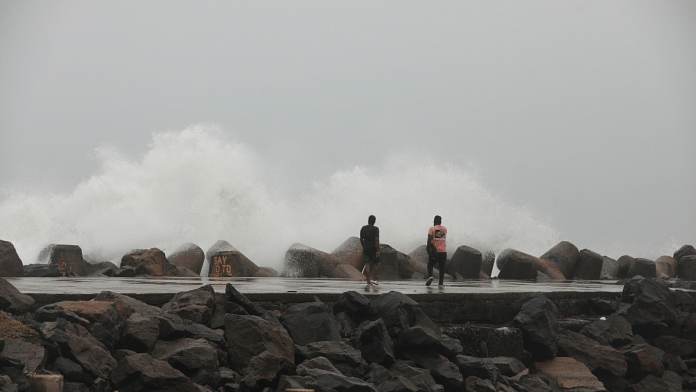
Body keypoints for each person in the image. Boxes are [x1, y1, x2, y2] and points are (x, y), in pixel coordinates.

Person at [426, 215, 447, 287]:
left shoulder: (431, 229)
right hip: (443, 251)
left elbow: (429, 239)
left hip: (435, 252)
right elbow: (440, 237)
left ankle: (430, 276)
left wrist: (428, 248)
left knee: (430, 265)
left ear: (434, 221)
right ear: (441, 221)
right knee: (442, 267)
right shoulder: (444, 229)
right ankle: (440, 283)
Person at [360, 215, 380, 285]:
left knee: (367, 264)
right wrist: (377, 251)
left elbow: (361, 239)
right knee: (377, 263)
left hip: (365, 248)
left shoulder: (363, 228)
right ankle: (373, 278)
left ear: (368, 220)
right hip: (373, 248)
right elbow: (376, 240)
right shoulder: (376, 229)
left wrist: (363, 245)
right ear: (374, 221)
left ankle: (368, 281)